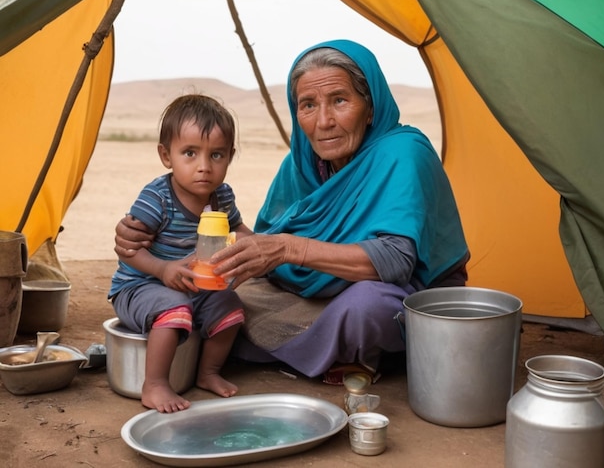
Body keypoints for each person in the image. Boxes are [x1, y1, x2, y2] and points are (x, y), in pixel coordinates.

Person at [114, 40, 469, 384]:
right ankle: (331, 351)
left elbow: (394, 261)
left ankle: (327, 347)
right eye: (308, 105)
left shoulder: (403, 153)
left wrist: (287, 248)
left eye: (340, 100)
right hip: (314, 289)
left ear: (371, 106)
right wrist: (140, 235)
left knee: (364, 309)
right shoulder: (302, 164)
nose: (324, 120)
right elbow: (262, 246)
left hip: (401, 288)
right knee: (227, 300)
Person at [108, 94, 253, 413]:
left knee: (230, 306)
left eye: (216, 155)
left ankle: (208, 372)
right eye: (190, 153)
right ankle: (155, 384)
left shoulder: (222, 197)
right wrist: (162, 270)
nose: (204, 167)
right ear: (166, 155)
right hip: (141, 287)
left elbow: (238, 229)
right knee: (175, 306)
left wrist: (254, 247)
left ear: (230, 156)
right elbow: (130, 251)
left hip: (194, 288)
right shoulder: (156, 198)